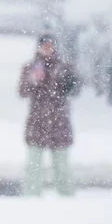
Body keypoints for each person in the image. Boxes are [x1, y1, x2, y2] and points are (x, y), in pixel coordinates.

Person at [18, 34, 79, 196]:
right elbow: (23, 91)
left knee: (62, 166)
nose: (47, 49)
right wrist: (33, 80)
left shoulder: (64, 68)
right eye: (44, 46)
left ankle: (67, 197)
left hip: (59, 122)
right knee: (33, 165)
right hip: (37, 122)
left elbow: (74, 90)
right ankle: (32, 197)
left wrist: (69, 79)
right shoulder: (31, 68)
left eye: (50, 46)